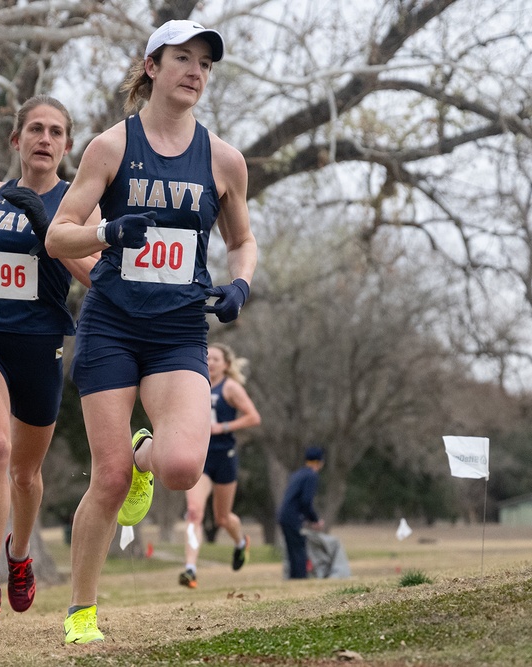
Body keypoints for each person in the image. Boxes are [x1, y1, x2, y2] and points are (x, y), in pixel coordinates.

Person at [42, 19, 258, 644]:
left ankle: (147, 454)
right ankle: (83, 611)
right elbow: (59, 235)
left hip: (178, 333)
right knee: (107, 480)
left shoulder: (223, 160)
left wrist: (240, 283)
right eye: (183, 58)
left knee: (184, 467)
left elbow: (242, 241)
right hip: (111, 325)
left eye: (205, 64)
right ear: (152, 68)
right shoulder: (110, 148)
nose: (195, 71)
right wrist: (110, 232)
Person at [0, 95, 99, 621]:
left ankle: (19, 556)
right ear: (17, 140)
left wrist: (54, 233)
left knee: (26, 474)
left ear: (67, 146)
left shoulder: (80, 205)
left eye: (55, 132)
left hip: (41, 346)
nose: (44, 139)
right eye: (35, 129)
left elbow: (98, 277)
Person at [179, 342, 261, 589]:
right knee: (194, 513)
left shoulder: (231, 387)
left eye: (216, 359)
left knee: (222, 518)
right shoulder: (195, 383)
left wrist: (223, 427)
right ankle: (190, 570)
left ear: (226, 364)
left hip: (224, 455)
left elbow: (253, 417)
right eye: (208, 357)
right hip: (199, 456)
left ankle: (240, 543)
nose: (211, 362)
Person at [277, 446, 325, 580]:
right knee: (299, 551)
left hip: (284, 516)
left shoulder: (298, 474)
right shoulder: (311, 476)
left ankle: (293, 580)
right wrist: (314, 520)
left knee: (292, 552)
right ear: (320, 462)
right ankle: (300, 580)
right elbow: (306, 501)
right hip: (293, 517)